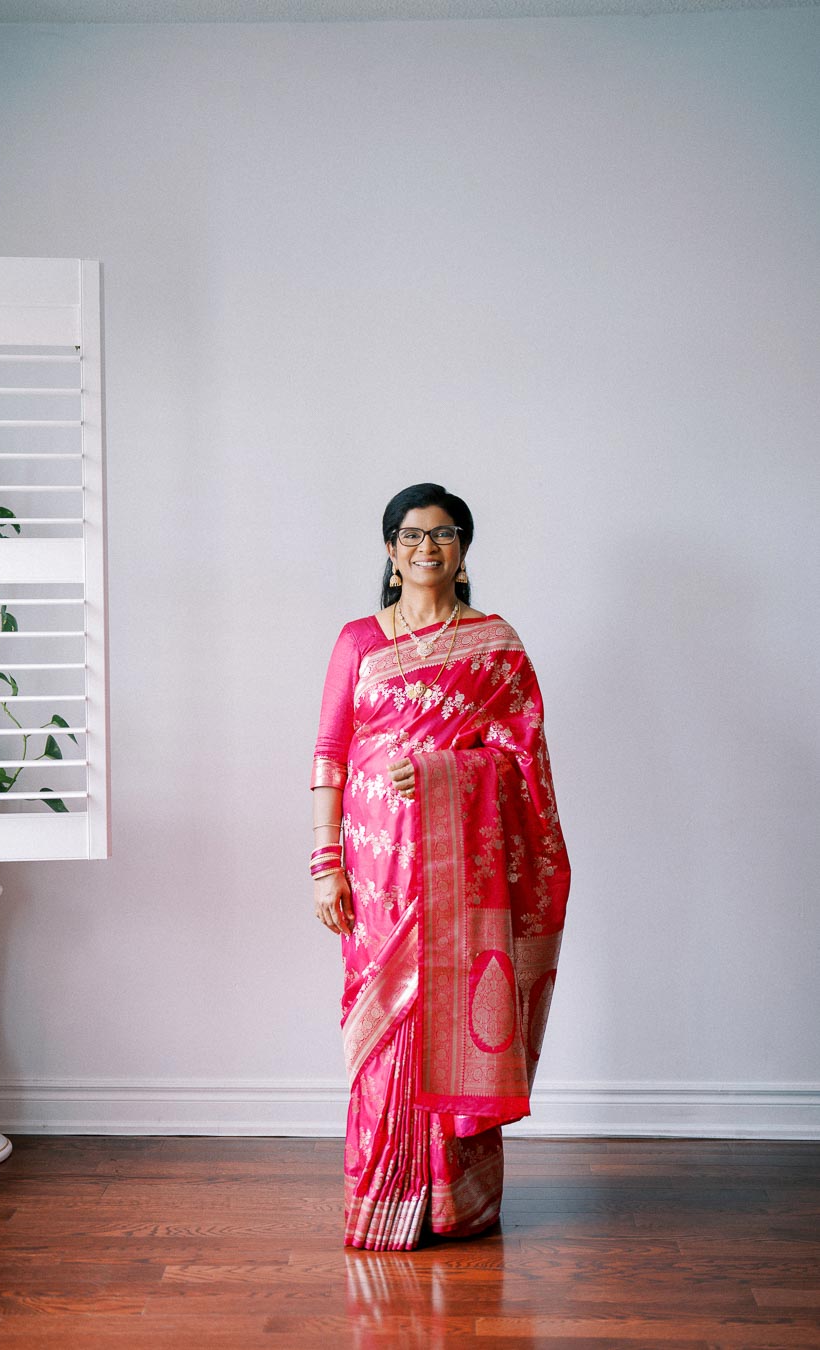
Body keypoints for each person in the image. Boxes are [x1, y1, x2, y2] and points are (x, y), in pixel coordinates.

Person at [311, 482, 571, 1251]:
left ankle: (455, 1204)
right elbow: (328, 756)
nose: (428, 547)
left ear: (462, 552)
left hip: (465, 879)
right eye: (412, 535)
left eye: (445, 534)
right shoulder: (359, 640)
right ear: (391, 552)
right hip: (379, 870)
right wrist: (327, 862)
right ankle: (386, 1199)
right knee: (386, 1027)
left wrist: (443, 772)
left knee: (454, 1015)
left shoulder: (495, 645)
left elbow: (526, 763)